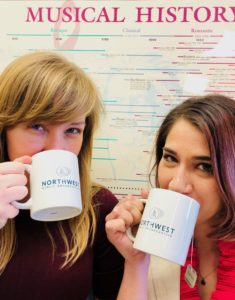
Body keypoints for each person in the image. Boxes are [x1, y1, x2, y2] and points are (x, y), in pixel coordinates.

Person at [0, 50, 127, 300]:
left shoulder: (99, 207)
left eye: (72, 130)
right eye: (38, 126)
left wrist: (137, 259)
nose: (57, 147)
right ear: (5, 129)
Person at [105, 94, 235, 300]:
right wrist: (136, 261)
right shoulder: (155, 246)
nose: (175, 183)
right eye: (170, 158)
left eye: (204, 166)